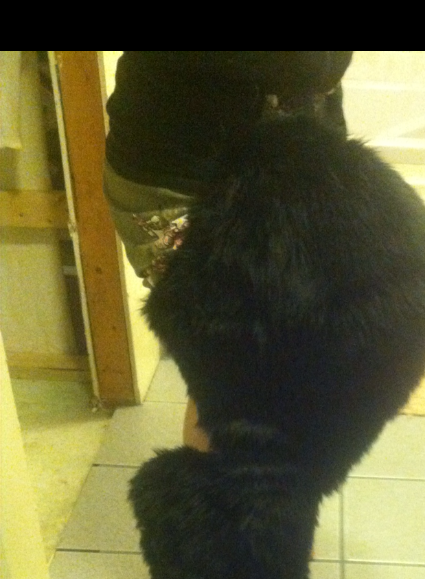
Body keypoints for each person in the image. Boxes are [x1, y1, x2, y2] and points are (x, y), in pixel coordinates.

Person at [103, 51, 353, 451]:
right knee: (236, 376)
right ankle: (225, 485)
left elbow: (319, 73)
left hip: (276, 166)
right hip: (181, 181)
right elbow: (308, 66)